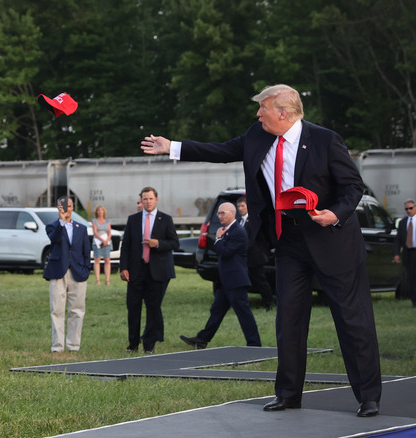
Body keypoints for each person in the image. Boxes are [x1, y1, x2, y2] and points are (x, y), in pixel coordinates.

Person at [141, 83, 382, 417]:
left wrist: (336, 213)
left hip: (332, 241)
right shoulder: (258, 135)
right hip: (288, 242)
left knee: (352, 320)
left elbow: (353, 185)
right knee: (289, 320)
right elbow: (222, 151)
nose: (257, 114)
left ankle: (368, 396)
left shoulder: (326, 140)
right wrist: (172, 147)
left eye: (263, 108)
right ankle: (288, 394)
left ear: (283, 113)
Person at [180, 202, 261, 349]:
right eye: (218, 213)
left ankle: (254, 344)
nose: (219, 216)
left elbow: (225, 252)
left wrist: (218, 239)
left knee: (244, 314)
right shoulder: (228, 230)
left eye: (223, 213)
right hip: (226, 281)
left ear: (232, 213)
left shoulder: (238, 232)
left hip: (236, 281)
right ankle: (202, 339)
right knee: (216, 311)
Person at [119, 187, 179, 353]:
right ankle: (132, 345)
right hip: (136, 271)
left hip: (157, 271)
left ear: (156, 199)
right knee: (133, 308)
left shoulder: (165, 219)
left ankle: (149, 345)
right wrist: (123, 267)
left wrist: (157, 243)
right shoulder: (133, 219)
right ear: (141, 200)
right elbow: (126, 246)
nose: (148, 202)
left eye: (150, 199)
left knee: (153, 309)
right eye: (144, 199)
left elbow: (175, 243)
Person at [43, 196, 90, 352]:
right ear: (59, 208)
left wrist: (85, 269)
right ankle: (57, 346)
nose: (67, 209)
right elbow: (54, 239)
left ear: (73, 207)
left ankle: (73, 345)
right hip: (58, 272)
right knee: (56, 309)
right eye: (63, 207)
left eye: (69, 206)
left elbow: (85, 252)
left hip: (78, 272)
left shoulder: (81, 228)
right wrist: (61, 221)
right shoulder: (52, 226)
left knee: (76, 310)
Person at [236, 196, 275, 310]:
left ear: (248, 206)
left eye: (243, 206)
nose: (240, 208)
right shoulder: (239, 221)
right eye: (238, 206)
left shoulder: (253, 220)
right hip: (243, 258)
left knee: (260, 281)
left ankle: (269, 303)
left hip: (254, 257)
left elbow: (251, 240)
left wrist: (239, 250)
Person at [393, 199, 416, 307]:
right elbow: (398, 239)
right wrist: (396, 253)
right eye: (406, 209)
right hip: (408, 252)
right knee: (411, 277)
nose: (408, 210)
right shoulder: (403, 222)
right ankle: (414, 301)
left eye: (411, 208)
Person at [92, 205, 112, 285]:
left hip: (107, 243)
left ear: (104, 212)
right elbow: (95, 232)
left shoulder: (107, 221)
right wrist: (102, 240)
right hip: (97, 242)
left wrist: (107, 240)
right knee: (97, 260)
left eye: (101, 210)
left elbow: (109, 232)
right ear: (96, 212)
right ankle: (98, 280)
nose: (100, 212)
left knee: (107, 260)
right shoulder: (94, 221)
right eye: (99, 210)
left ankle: (107, 280)